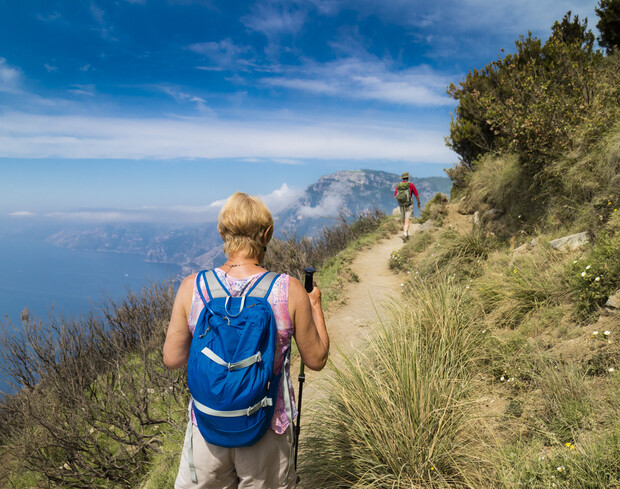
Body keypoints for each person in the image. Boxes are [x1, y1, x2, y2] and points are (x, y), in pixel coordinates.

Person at [163, 192, 329, 489]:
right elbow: (316, 359)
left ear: (221, 231)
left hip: (208, 428)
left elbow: (172, 359)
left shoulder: (193, 287)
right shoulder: (287, 290)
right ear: (267, 233)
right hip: (267, 428)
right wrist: (315, 306)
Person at [394, 171, 421, 241]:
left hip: (401, 205)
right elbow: (416, 195)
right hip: (409, 204)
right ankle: (405, 234)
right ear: (408, 177)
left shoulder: (398, 185)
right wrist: (418, 203)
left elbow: (395, 196)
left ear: (402, 178)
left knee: (404, 219)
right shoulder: (411, 185)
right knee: (407, 220)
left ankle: (405, 233)